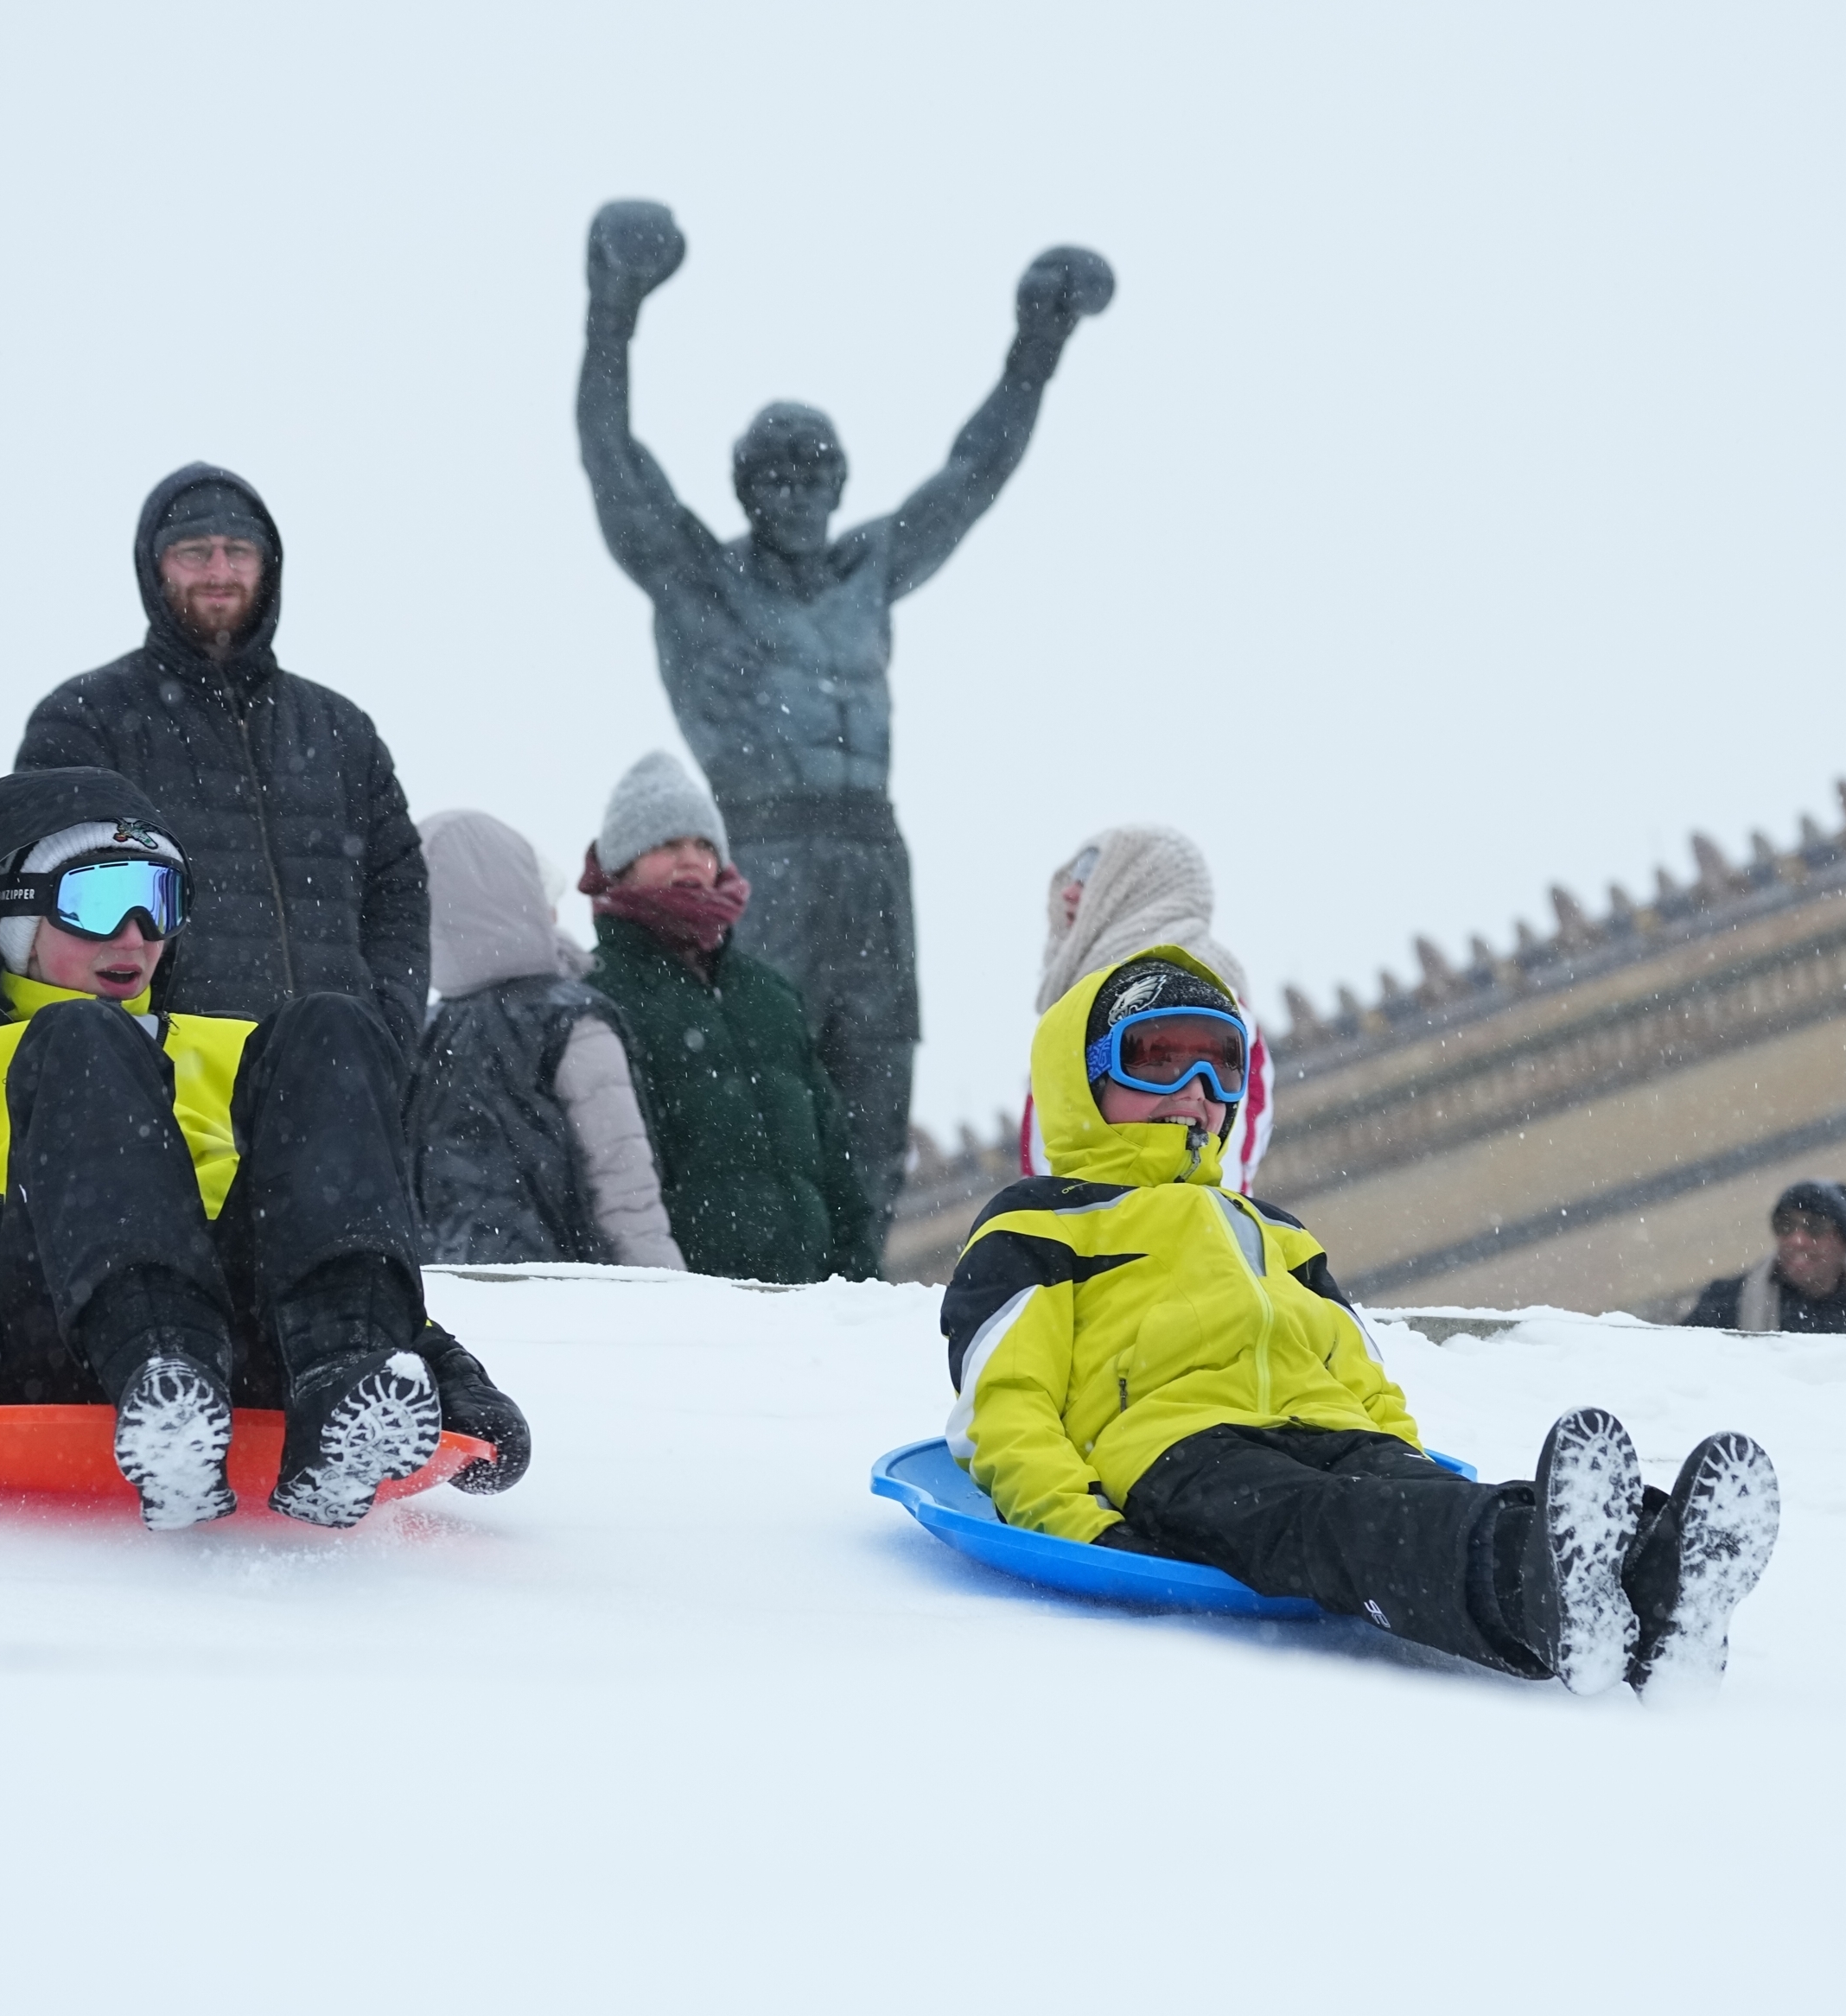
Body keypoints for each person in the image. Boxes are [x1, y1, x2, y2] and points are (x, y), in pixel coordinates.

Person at [942, 950, 1781, 1692]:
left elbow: (1357, 1367)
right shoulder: (1042, 1221)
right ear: (1078, 1080)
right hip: (1182, 1452)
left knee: (1423, 1498)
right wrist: (1087, 1525)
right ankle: (1540, 1600)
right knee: (1339, 1526)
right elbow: (1005, 1404)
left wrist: (1397, 1454)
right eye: (1158, 1059)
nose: (1193, 1094)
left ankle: (1657, 1571)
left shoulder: (1271, 1228)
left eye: (1218, 1068)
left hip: (1332, 1425)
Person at [0, 767, 531, 1530]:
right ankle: (158, 1369)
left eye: (158, 903)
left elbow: (322, 1214)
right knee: (83, 1037)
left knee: (334, 1027)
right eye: (94, 903)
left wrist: (441, 1363)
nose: (133, 938)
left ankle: (340, 1374)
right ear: (13, 922)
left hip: (246, 1344)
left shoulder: (233, 1048)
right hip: (49, 1330)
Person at [576, 199, 1113, 1231]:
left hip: (871, 854)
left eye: (815, 470)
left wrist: (1036, 341)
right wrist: (613, 310)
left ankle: (859, 1275)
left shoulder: (866, 571)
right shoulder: (700, 579)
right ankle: (766, 1280)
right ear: (744, 487)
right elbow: (614, 462)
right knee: (763, 1081)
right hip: (763, 841)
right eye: (775, 474)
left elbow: (973, 473)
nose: (798, 491)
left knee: (873, 1092)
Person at [17, 464, 430, 1051]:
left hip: (338, 1086)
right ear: (153, 566)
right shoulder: (85, 720)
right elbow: (42, 905)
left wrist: (388, 1028)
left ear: (268, 566)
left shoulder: (341, 731)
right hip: (163, 1093)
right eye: (194, 551)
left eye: (238, 551)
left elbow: (400, 891)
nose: (219, 571)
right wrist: (121, 1055)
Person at [580, 751, 878, 1285]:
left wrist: (858, 1279)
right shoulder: (599, 998)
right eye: (667, 844)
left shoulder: (769, 994)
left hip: (815, 1303)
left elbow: (834, 1162)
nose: (691, 859)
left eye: (703, 845)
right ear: (623, 862)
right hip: (696, 1312)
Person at [406, 809, 684, 1269]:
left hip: (456, 1304)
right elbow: (625, 1191)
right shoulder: (570, 1019)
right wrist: (671, 1301)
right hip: (571, 1303)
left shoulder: (425, 1033)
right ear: (513, 894)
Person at [1015, 824, 1275, 1194]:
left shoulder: (1207, 1011)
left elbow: (1210, 1189)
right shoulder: (1078, 1019)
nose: (1069, 892)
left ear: (1139, 883)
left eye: (1092, 874)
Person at [1682, 1180, 1846, 1337]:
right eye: (1785, 1225)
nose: (1797, 1240)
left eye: (1815, 1226)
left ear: (1845, 1242)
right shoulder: (1726, 1302)